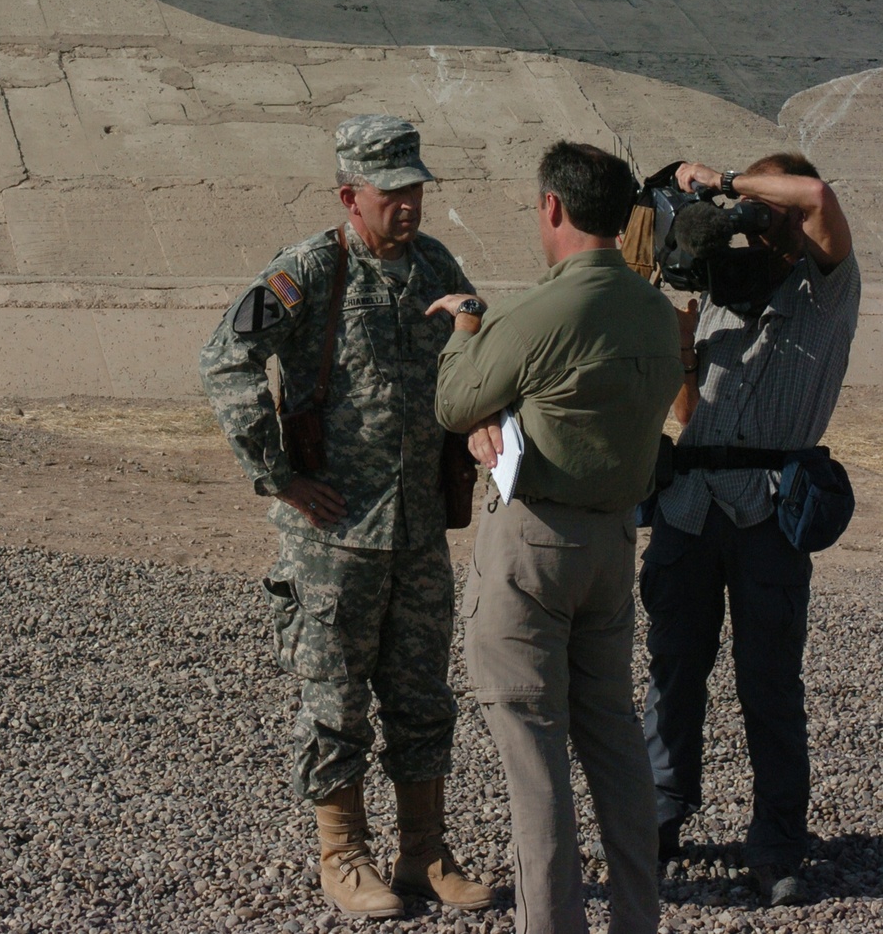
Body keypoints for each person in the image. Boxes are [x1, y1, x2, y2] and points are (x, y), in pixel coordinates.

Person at [200, 115, 491, 919]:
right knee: (334, 700)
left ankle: (424, 852)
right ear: (349, 195)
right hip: (333, 538)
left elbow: (475, 363)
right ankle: (342, 852)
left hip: (419, 530)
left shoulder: (436, 264)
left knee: (423, 694)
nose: (409, 204)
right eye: (392, 192)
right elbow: (224, 359)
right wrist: (279, 476)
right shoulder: (309, 272)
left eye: (416, 189)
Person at [430, 141, 684, 934]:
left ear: (553, 208)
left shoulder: (541, 309)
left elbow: (454, 397)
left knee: (534, 760)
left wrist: (467, 322)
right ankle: (637, 919)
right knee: (615, 744)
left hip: (534, 542)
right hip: (613, 543)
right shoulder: (652, 308)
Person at [639, 153, 860, 908]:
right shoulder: (723, 283)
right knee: (672, 668)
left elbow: (819, 196)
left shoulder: (827, 288)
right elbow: (689, 409)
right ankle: (661, 817)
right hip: (691, 502)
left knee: (769, 682)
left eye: (773, 213)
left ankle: (775, 842)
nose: (760, 229)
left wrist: (730, 183)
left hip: (769, 508)